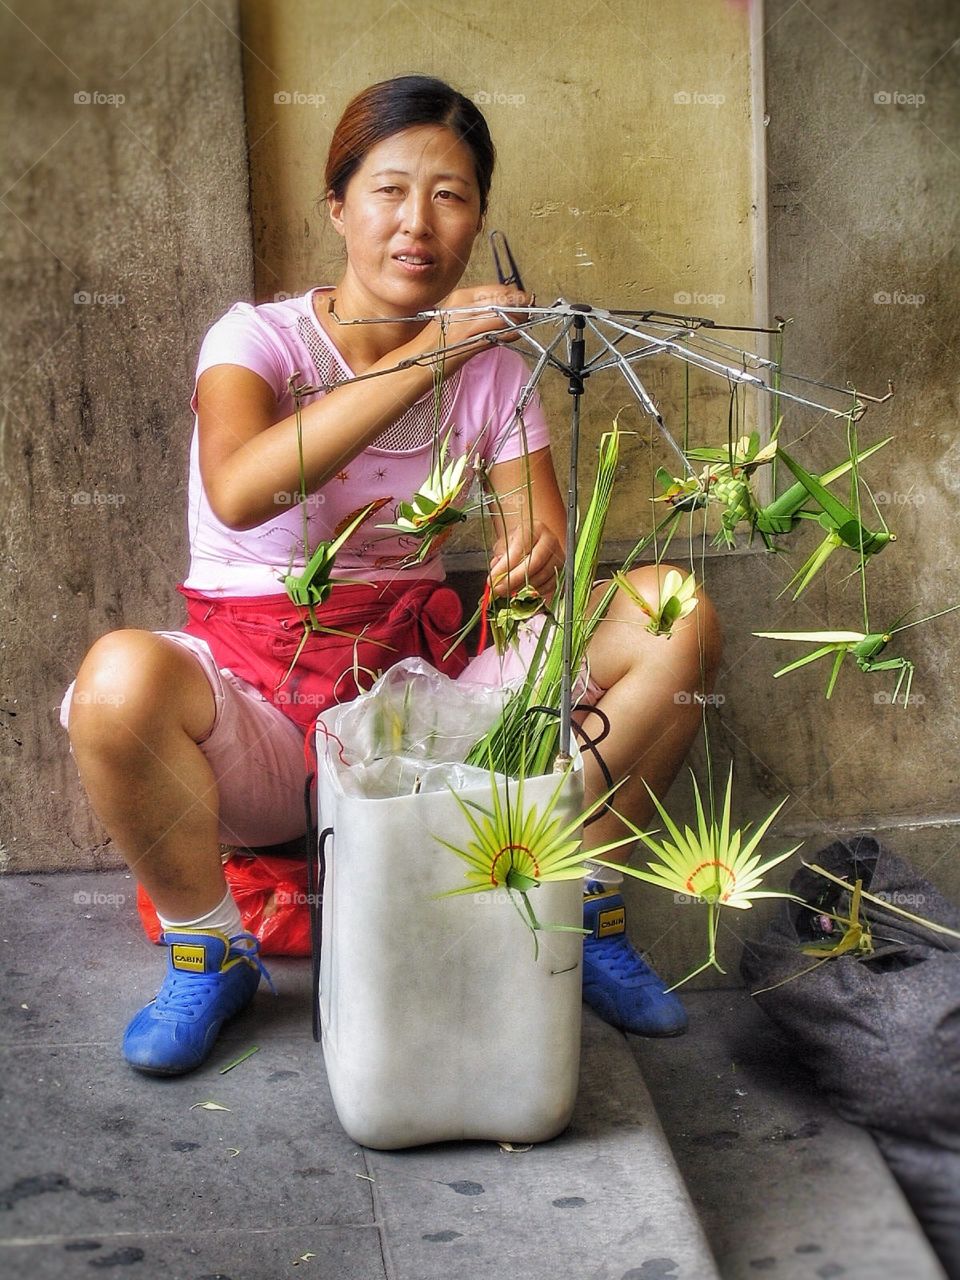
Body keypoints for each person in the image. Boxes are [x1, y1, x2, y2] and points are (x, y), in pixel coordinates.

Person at [62, 75, 722, 1076]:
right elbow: (242, 489)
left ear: (479, 220)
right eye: (390, 191)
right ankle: (211, 950)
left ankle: (573, 900)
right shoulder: (258, 342)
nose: (420, 222)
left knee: (672, 613)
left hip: (427, 712)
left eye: (452, 195)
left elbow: (533, 535)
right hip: (266, 720)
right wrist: (435, 349)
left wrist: (530, 559)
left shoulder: (497, 368)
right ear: (338, 205)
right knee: (114, 682)